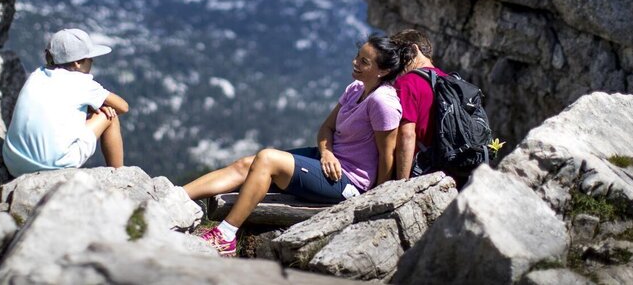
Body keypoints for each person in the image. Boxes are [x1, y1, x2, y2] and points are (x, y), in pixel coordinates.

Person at [184, 34, 403, 256]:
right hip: (328, 162)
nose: (355, 62)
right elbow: (326, 128)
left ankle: (225, 235)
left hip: (348, 182)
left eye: (364, 61)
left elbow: (388, 156)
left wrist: (375, 201)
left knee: (267, 160)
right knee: (246, 164)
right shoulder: (356, 88)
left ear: (383, 71)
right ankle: (175, 197)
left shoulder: (383, 102)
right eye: (358, 56)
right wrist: (327, 153)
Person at [2, 28, 129, 178]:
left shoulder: (37, 75)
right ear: (77, 63)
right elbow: (123, 107)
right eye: (89, 58)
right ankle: (119, 176)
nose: (92, 61)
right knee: (110, 115)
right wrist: (99, 107)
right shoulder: (82, 83)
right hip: (51, 167)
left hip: (13, 163)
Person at [390, 28, 446, 180]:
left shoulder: (407, 83)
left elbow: (407, 134)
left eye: (400, 55)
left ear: (414, 49)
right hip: (450, 171)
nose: (397, 64)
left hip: (422, 171)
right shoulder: (449, 80)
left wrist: (402, 184)